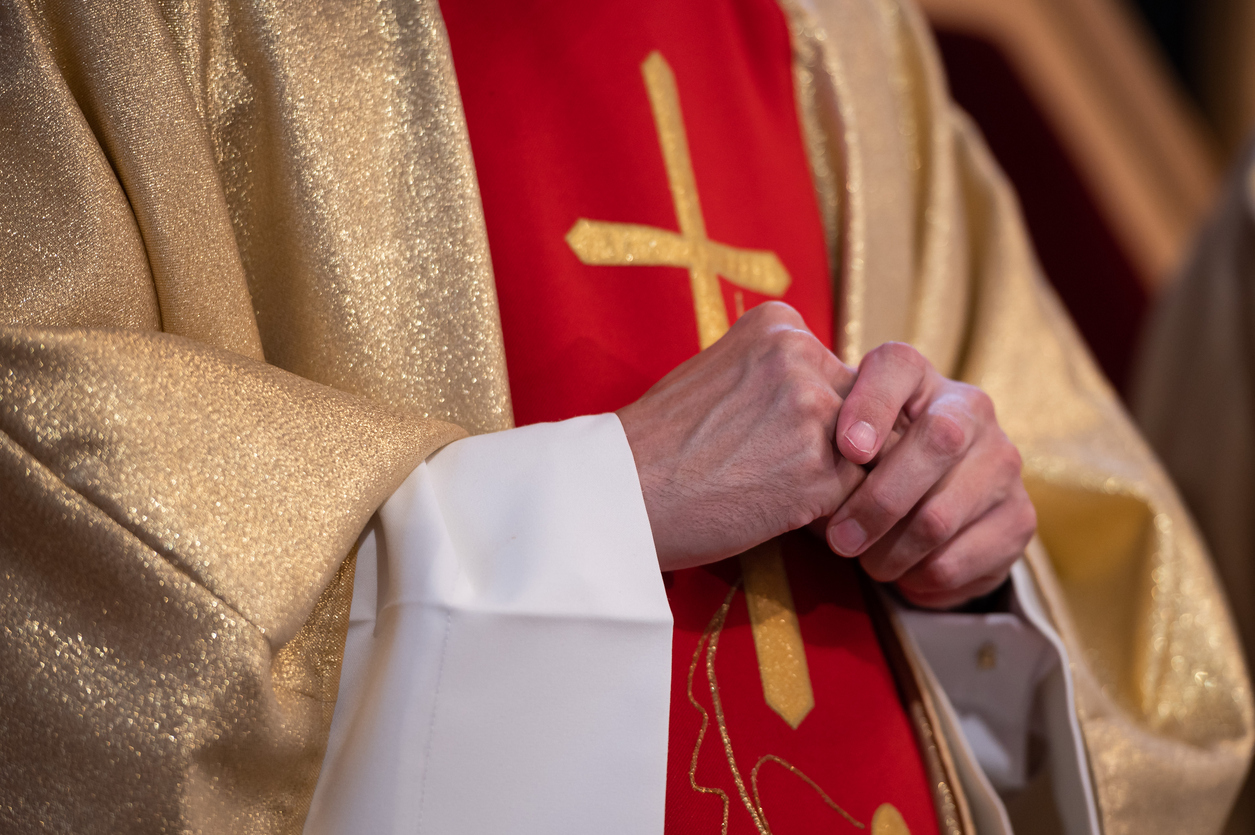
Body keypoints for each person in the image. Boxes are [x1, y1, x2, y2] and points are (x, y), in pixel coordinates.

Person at [0, 1, 1248, 835]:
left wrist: (971, 557)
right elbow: (48, 471)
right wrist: (592, 505)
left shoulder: (848, 28)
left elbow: (1079, 502)